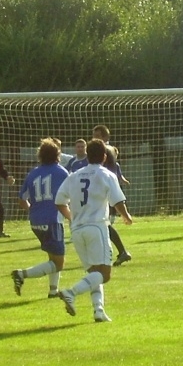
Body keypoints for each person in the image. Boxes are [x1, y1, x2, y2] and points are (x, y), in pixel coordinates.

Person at [55, 138, 133, 322]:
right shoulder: (106, 174)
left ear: (87, 155)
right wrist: (126, 215)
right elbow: (118, 200)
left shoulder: (73, 175)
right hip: (97, 227)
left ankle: (98, 310)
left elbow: (59, 201)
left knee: (94, 273)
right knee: (104, 274)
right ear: (105, 157)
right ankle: (70, 293)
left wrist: (71, 217)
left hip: (77, 230)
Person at [11, 138, 70, 298]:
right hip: (52, 220)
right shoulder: (61, 172)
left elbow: (22, 200)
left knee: (53, 256)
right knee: (59, 263)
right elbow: (71, 194)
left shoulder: (33, 173)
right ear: (57, 154)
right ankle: (22, 274)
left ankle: (53, 291)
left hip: (35, 221)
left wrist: (33, 210)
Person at [92, 124, 132, 266]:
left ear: (105, 137)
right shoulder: (105, 151)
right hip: (104, 192)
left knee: (102, 225)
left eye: (97, 136)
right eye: (94, 135)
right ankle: (118, 252)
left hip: (106, 192)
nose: (94, 138)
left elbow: (109, 172)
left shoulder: (106, 150)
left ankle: (118, 252)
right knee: (102, 225)